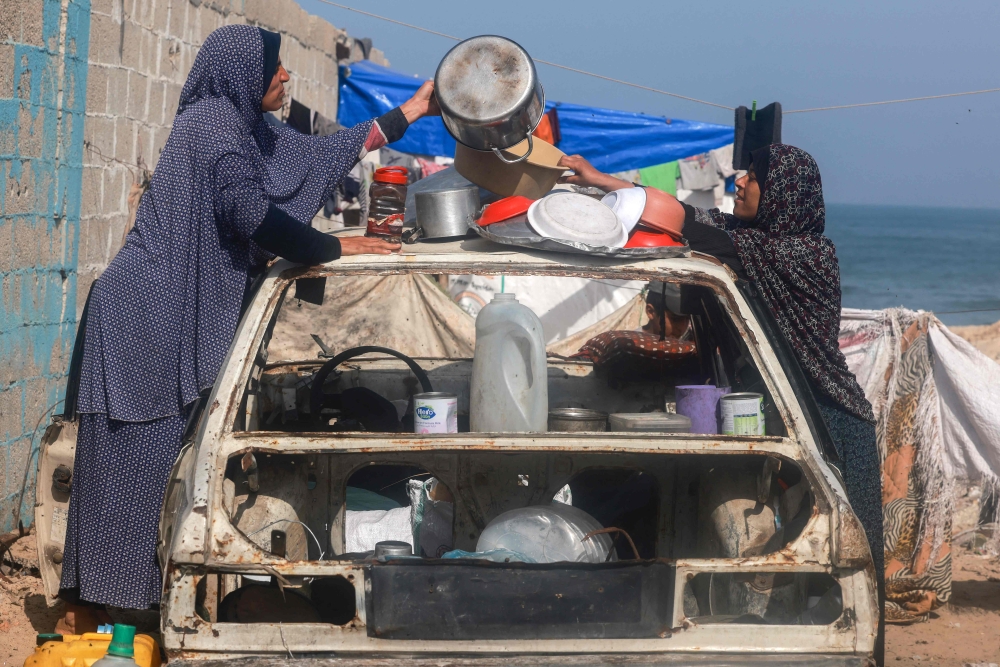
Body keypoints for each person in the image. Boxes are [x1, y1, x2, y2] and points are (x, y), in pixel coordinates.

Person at [55, 24, 439, 633]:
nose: (285, 77)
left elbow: (322, 154)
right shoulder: (213, 127)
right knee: (133, 466)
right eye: (275, 69)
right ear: (243, 75)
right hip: (147, 315)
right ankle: (111, 609)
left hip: (169, 313)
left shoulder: (249, 130)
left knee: (157, 468)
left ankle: (118, 606)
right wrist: (336, 248)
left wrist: (413, 111)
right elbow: (252, 215)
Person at [560, 145, 884, 661]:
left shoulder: (802, 254)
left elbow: (681, 220)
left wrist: (598, 190)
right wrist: (595, 178)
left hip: (832, 423)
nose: (740, 183)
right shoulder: (751, 241)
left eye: (752, 177)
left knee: (843, 569)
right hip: (788, 419)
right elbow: (680, 211)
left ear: (784, 194)